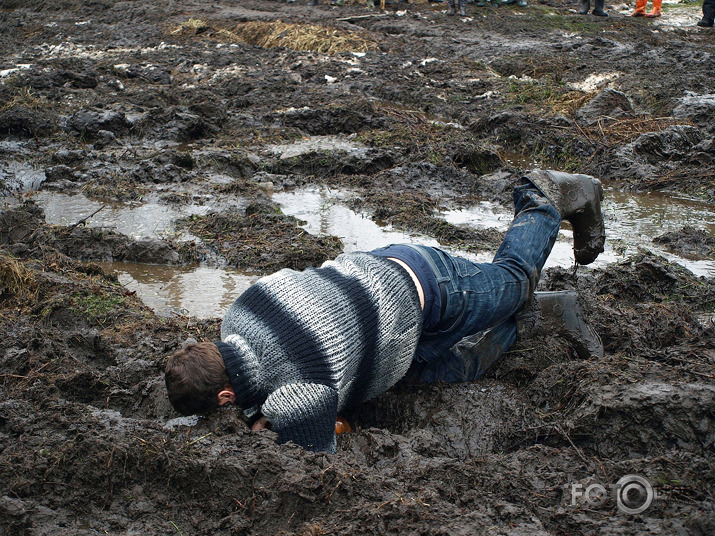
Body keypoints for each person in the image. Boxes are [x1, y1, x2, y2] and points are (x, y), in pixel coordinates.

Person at [165, 170, 606, 453]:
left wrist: (270, 427)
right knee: (456, 370)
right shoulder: (238, 315)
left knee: (513, 279)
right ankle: (542, 316)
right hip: (389, 324)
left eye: (224, 410)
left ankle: (548, 193)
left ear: (226, 397)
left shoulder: (298, 393)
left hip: (429, 287)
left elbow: (318, 453)